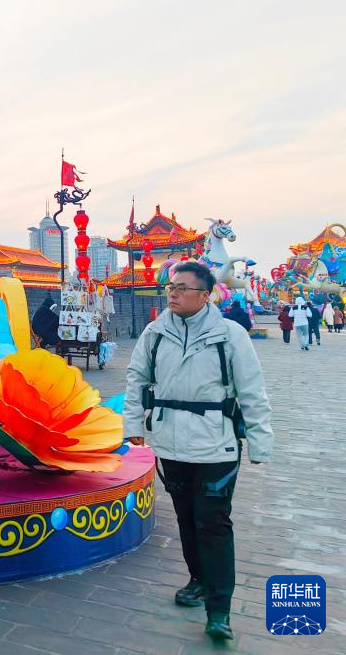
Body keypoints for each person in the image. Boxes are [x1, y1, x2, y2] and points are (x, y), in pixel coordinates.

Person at [123, 261, 273, 641]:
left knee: (213, 522)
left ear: (205, 296)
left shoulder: (229, 334)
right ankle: (198, 580)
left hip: (215, 445)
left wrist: (260, 441)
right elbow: (136, 378)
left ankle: (219, 609)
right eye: (170, 287)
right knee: (187, 518)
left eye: (181, 288)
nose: (172, 293)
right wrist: (132, 426)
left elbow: (252, 389)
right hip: (170, 442)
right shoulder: (155, 333)